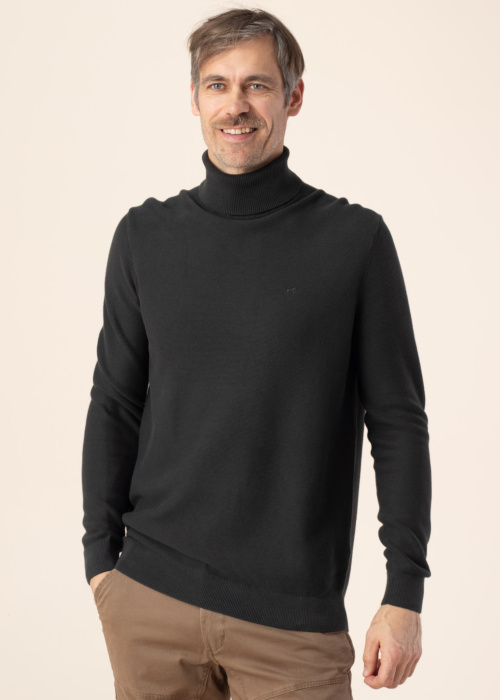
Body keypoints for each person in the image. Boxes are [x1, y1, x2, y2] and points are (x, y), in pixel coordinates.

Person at [82, 7, 432, 699]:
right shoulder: (144, 237)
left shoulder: (354, 242)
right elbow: (115, 403)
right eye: (217, 84)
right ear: (194, 98)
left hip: (292, 624)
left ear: (293, 96)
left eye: (257, 85)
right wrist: (101, 566)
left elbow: (397, 422)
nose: (235, 105)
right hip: (149, 601)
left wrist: (404, 592)